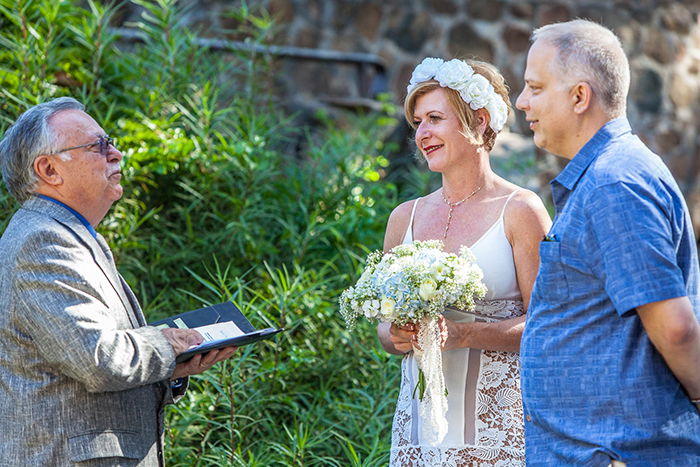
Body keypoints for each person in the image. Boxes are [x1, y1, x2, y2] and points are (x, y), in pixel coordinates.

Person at [0, 97, 237, 466]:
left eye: (109, 142)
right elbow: (97, 358)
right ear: (49, 169)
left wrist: (171, 365)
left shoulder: (69, 234)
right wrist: (165, 341)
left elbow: (77, 365)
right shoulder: (42, 240)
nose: (117, 153)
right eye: (99, 145)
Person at [516, 19, 700, 466]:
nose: (522, 103)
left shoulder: (613, 184)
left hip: (616, 454)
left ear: (579, 96)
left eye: (535, 88)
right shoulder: (604, 177)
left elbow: (675, 328)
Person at [377, 57, 551, 465]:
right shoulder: (403, 217)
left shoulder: (521, 210)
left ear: (478, 119)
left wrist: (463, 335)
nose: (422, 133)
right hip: (418, 433)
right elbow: (385, 330)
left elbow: (548, 325)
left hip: (499, 430)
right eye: (417, 122)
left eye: (435, 118)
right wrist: (396, 335)